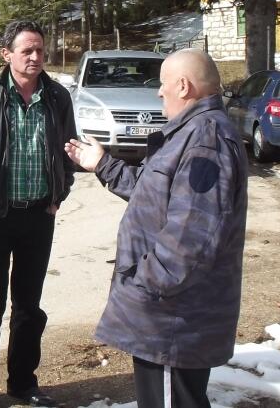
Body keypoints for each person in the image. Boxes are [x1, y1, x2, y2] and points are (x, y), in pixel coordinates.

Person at [65, 48, 248, 408]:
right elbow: (154, 191)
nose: (159, 92)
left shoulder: (205, 140)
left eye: (163, 84)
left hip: (172, 318)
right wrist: (103, 164)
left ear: (183, 86)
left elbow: (190, 240)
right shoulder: (190, 133)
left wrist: (144, 285)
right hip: (168, 314)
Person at [0, 20, 77, 408]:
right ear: (7, 54)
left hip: (39, 216)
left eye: (40, 50)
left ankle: (23, 383)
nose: (36, 57)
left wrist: (59, 194)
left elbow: (69, 150)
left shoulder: (56, 97)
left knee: (28, 305)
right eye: (27, 50)